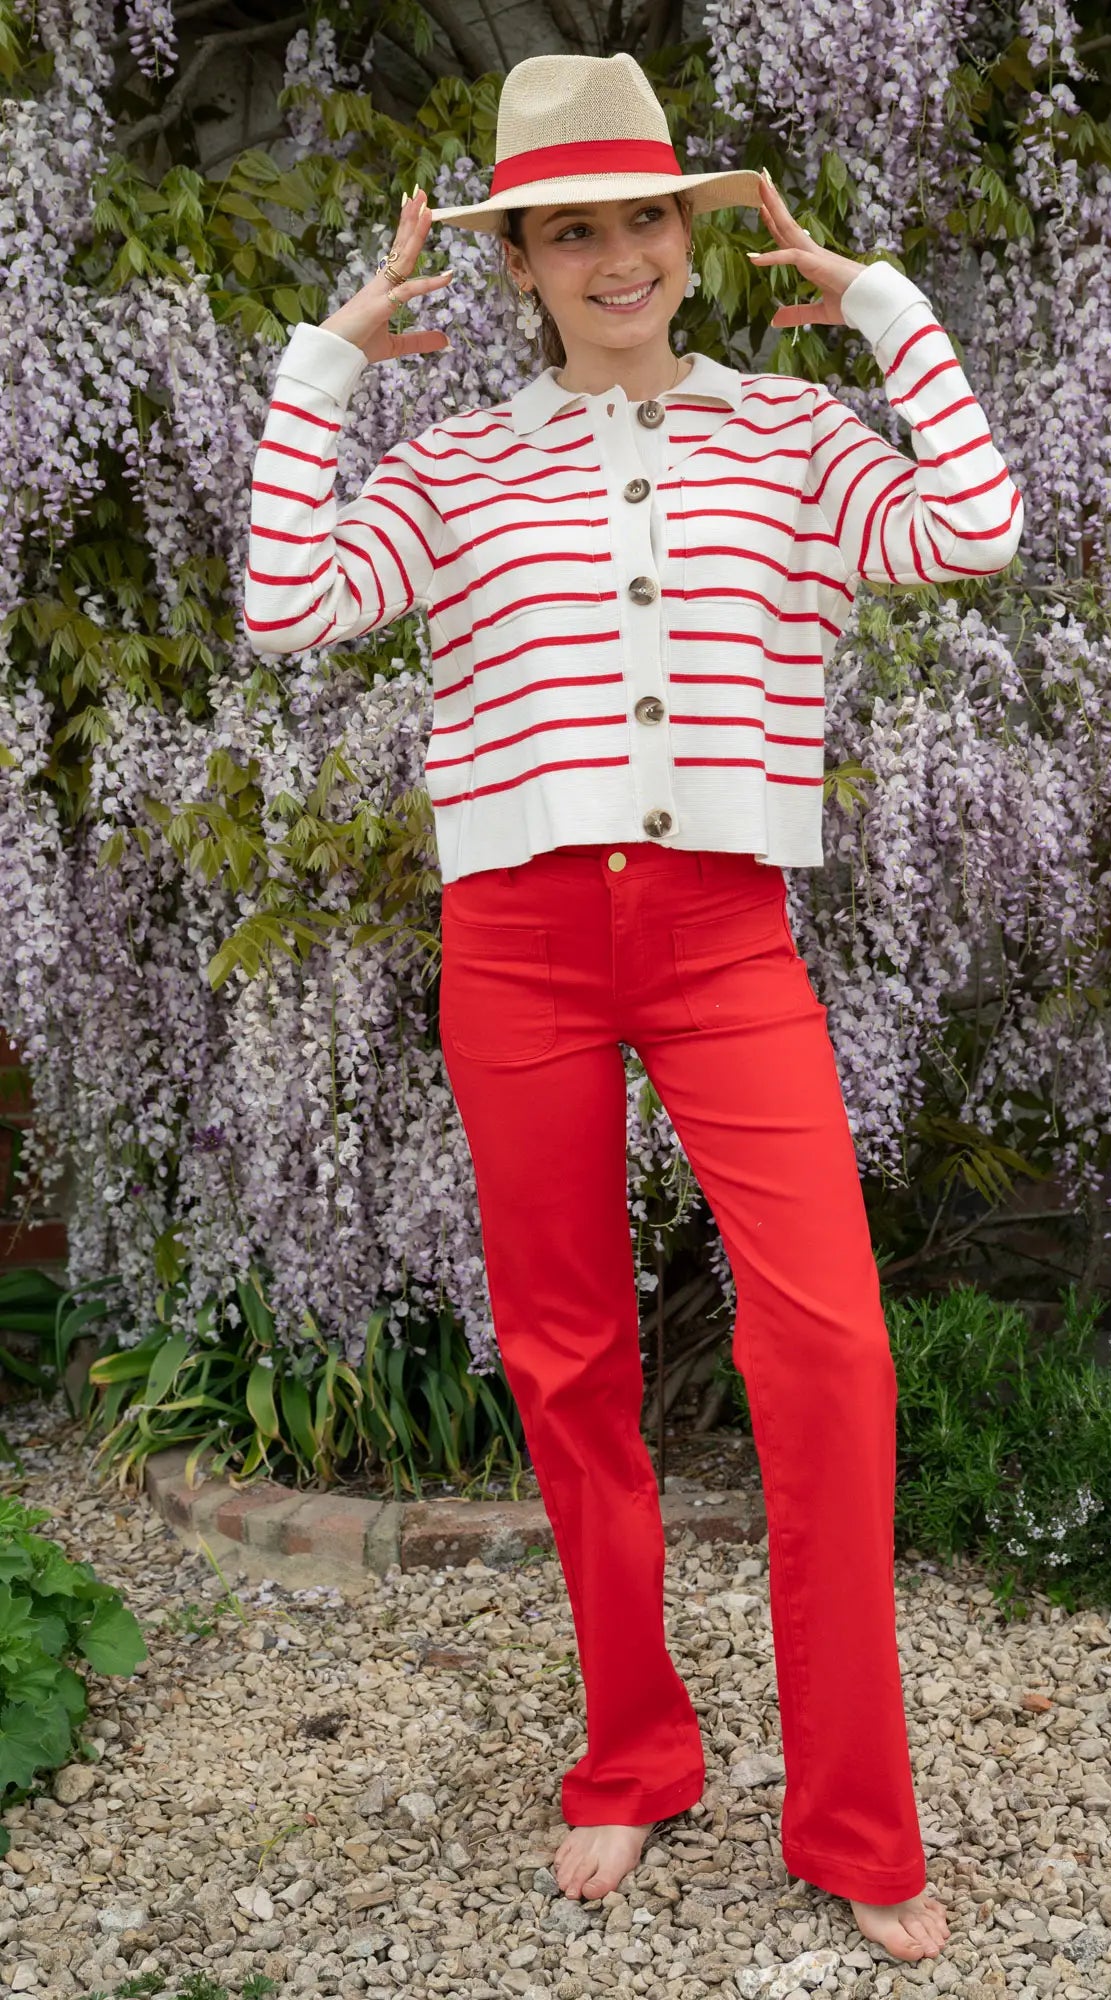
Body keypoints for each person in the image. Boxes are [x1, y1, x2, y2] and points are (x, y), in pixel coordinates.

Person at [244, 48, 1024, 1963]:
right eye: (569, 232)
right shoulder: (455, 468)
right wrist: (325, 367)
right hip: (515, 945)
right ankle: (634, 1753)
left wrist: (883, 305)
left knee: (829, 1351)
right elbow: (284, 608)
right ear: (518, 263)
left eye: (643, 221)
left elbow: (979, 527)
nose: (615, 260)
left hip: (724, 936)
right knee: (570, 1359)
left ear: (694, 233)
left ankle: (857, 1818)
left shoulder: (797, 437)